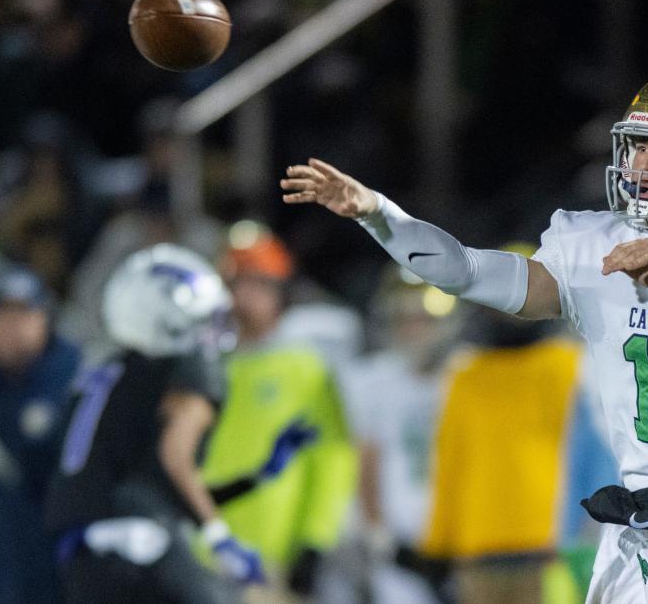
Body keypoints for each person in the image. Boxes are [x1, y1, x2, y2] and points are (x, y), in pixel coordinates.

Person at [281, 65, 648, 602]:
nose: (643, 164)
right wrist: (378, 215)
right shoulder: (595, 244)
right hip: (644, 530)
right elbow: (469, 272)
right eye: (638, 145)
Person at [46, 244, 264, 604]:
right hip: (142, 536)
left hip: (78, 551)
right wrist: (218, 536)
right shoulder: (186, 369)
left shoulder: (99, 373)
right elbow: (174, 456)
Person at [416, 243, 582, 604]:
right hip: (479, 547)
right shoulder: (465, 373)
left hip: (551, 546)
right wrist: (437, 543)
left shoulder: (570, 366)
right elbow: (450, 462)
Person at [202, 224, 358, 602]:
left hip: (273, 557)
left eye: (258, 284)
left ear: (281, 293)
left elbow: (332, 459)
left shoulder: (305, 369)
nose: (243, 297)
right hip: (203, 555)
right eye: (236, 284)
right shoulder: (201, 365)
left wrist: (316, 540)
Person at [350, 264, 461, 604]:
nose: (413, 329)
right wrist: (380, 538)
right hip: (400, 545)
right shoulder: (372, 380)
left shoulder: (467, 374)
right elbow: (366, 463)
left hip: (461, 540)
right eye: (403, 319)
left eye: (422, 318)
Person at [0, 264, 82, 604]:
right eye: (1, 315)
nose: (11, 327)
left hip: (61, 533)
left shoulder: (75, 375)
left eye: (23, 314)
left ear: (46, 319)